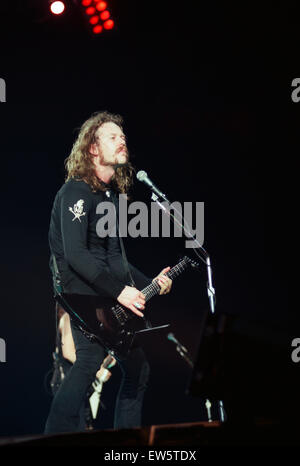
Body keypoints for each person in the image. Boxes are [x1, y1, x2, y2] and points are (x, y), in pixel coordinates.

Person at [44, 111, 172, 434]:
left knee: (137, 368)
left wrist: (150, 283)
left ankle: (124, 447)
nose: (122, 140)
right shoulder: (74, 192)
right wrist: (120, 292)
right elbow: (76, 257)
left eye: (123, 136)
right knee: (88, 361)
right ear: (93, 149)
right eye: (113, 136)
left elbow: (117, 261)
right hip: (81, 298)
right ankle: (51, 436)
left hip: (106, 296)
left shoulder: (109, 199)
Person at [50, 304, 116, 431]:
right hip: (67, 381)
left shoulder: (80, 318)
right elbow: (68, 352)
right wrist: (98, 371)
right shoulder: (68, 317)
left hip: (81, 383)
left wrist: (108, 361)